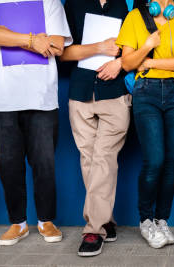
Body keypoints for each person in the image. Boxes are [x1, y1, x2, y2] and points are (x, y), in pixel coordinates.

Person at [0, 0, 72, 246]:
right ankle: (17, 223)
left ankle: (46, 220)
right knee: (9, 163)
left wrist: (6, 36)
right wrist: (32, 40)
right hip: (3, 97)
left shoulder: (49, 1)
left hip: (42, 96)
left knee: (45, 163)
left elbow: (58, 45)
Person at [116, 0, 174, 249]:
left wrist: (150, 63)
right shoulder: (135, 18)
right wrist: (148, 47)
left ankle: (162, 220)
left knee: (171, 162)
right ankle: (145, 221)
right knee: (154, 160)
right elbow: (128, 63)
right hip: (146, 92)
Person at [61, 0, 130, 257]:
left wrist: (120, 63)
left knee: (103, 158)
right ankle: (106, 220)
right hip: (80, 93)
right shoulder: (74, 4)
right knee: (89, 160)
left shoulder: (130, 4)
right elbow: (62, 53)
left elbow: (145, 49)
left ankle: (93, 229)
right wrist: (98, 48)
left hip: (116, 94)